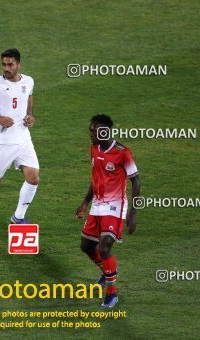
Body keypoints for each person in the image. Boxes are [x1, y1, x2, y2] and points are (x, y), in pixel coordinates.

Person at [76, 114, 140, 307]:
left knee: (104, 248)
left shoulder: (123, 153)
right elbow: (95, 178)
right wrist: (85, 203)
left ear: (104, 131)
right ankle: (108, 270)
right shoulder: (94, 149)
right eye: (90, 130)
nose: (90, 134)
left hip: (115, 206)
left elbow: (136, 180)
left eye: (93, 130)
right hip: (97, 204)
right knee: (86, 246)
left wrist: (133, 212)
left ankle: (111, 294)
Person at [0, 48, 39, 231]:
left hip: (24, 139)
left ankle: (18, 217)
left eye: (10, 64)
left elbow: (29, 97)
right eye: (4, 64)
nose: (6, 68)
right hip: (2, 142)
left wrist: (30, 116)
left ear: (19, 64)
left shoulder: (28, 81)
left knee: (33, 178)